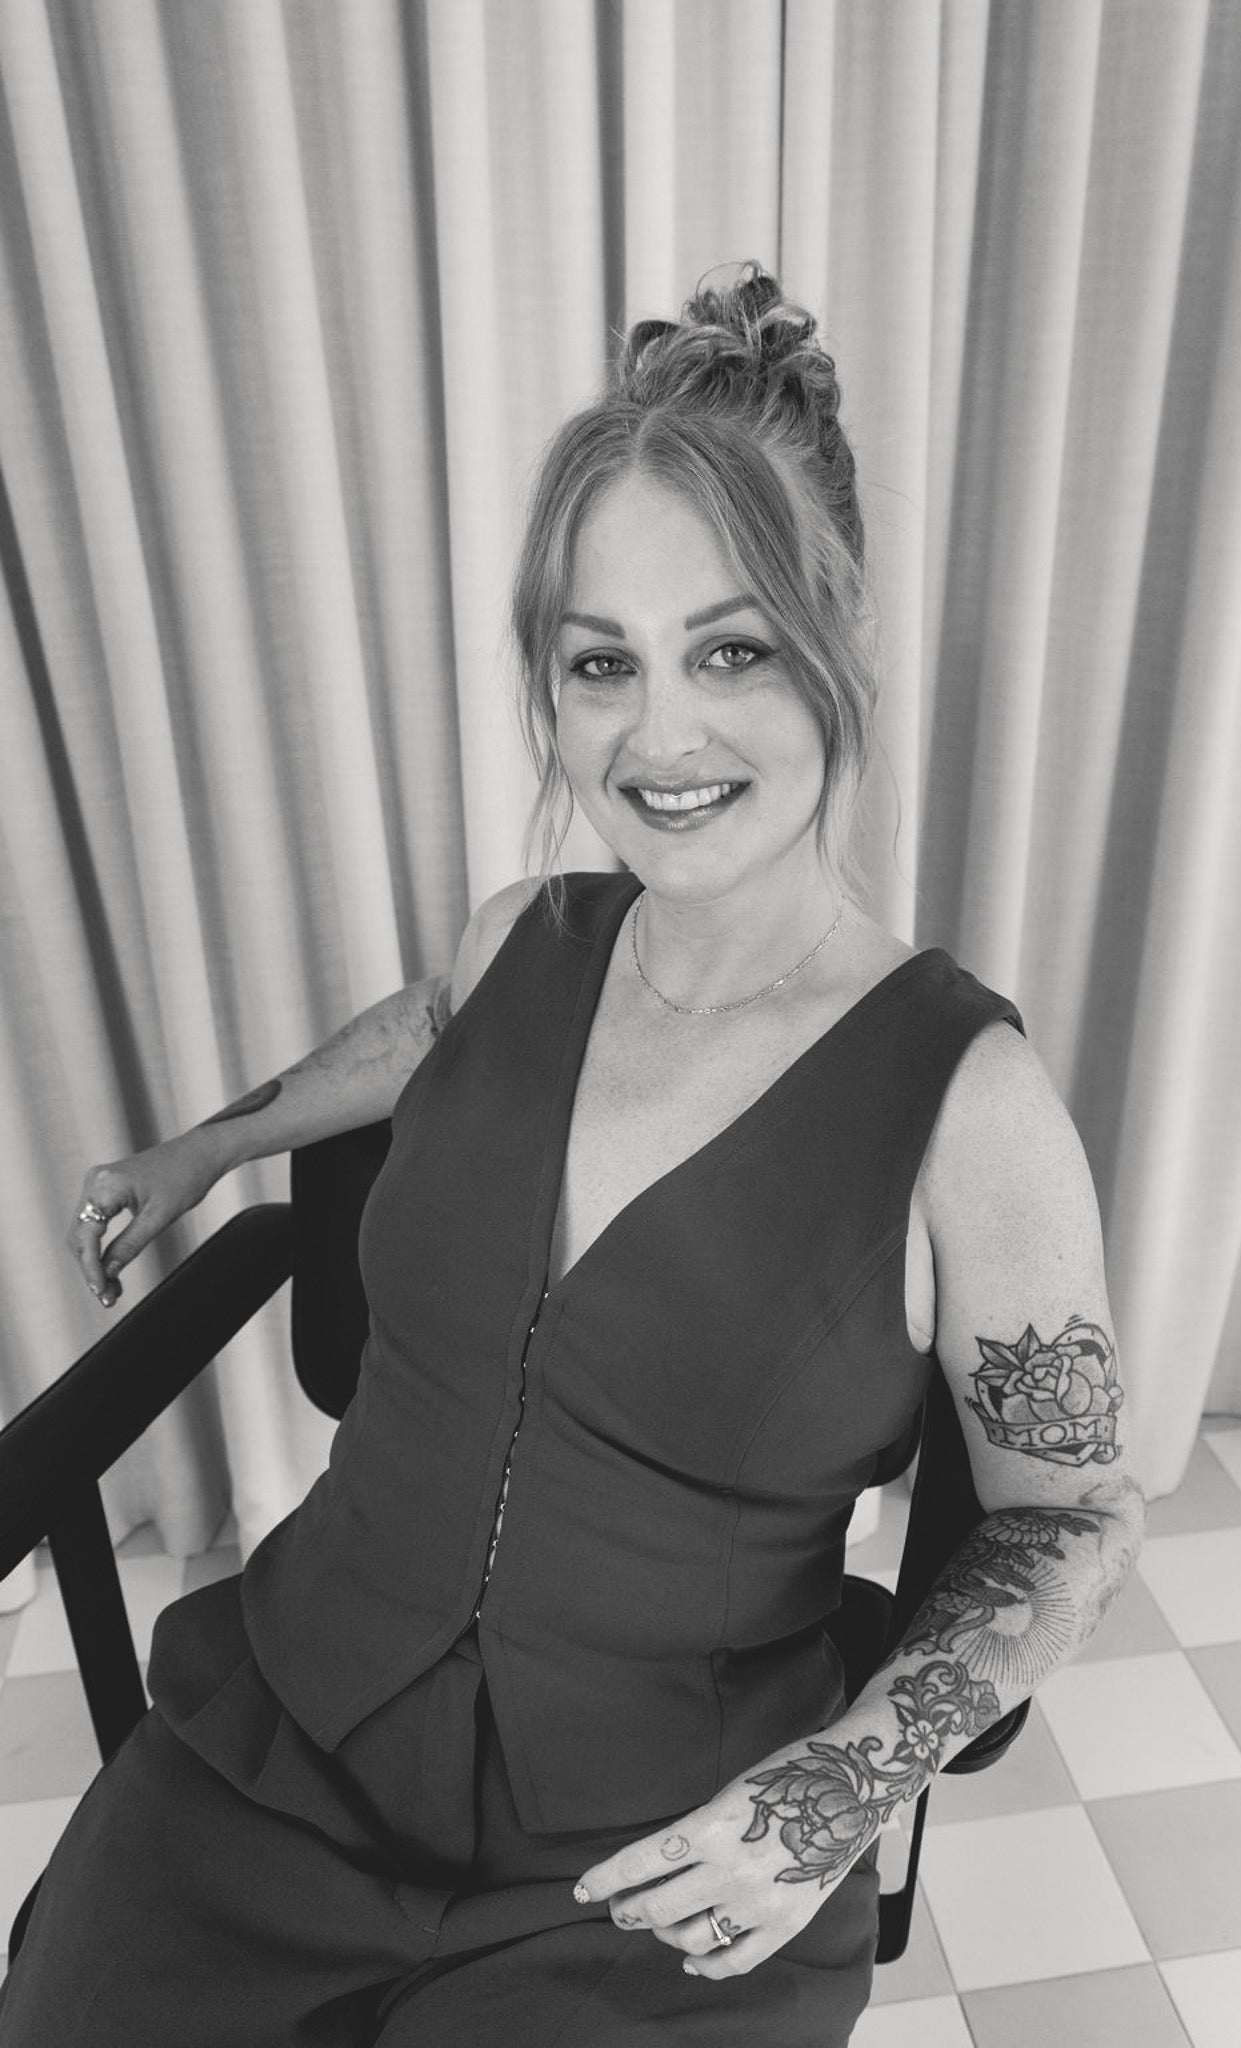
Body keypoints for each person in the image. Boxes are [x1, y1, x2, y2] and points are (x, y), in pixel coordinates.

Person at [2, 264, 1144, 2046]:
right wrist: (208, 1147)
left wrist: (836, 1789)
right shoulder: (518, 939)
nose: (657, 737)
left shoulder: (969, 1107)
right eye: (601, 662)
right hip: (288, 1740)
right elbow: (420, 1030)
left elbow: (1068, 1512)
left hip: (664, 1846)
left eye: (730, 649)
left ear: (840, 639)